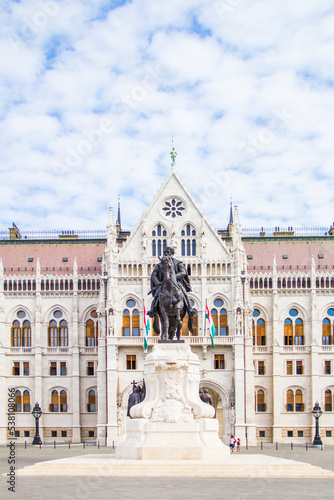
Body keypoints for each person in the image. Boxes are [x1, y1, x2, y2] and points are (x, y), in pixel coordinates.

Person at [147, 246, 195, 318]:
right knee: (157, 295)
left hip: (176, 283)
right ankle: (152, 310)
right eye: (165, 253)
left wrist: (173, 277)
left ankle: (190, 309)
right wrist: (157, 283)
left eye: (168, 253)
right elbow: (154, 275)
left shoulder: (178, 263)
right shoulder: (160, 265)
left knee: (184, 293)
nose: (166, 254)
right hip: (163, 283)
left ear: (172, 254)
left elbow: (183, 272)